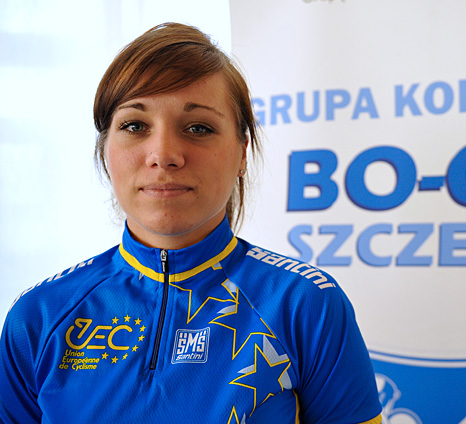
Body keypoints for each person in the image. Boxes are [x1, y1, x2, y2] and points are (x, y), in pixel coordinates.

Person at [0, 23, 382, 423]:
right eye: (135, 126)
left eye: (198, 128)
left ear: (242, 153)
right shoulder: (38, 317)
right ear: (105, 150)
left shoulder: (304, 304)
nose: (163, 155)